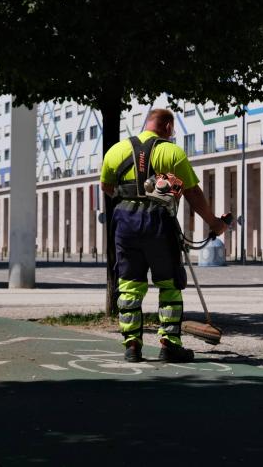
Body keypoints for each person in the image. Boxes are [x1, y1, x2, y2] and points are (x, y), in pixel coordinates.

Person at [100, 109, 228, 363]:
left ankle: (132, 345)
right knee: (169, 283)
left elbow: (106, 186)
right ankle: (169, 344)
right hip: (159, 222)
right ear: (168, 127)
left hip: (125, 223)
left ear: (146, 124)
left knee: (129, 283)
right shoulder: (172, 152)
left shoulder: (115, 150)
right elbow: (192, 192)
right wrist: (214, 223)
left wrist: (132, 195)